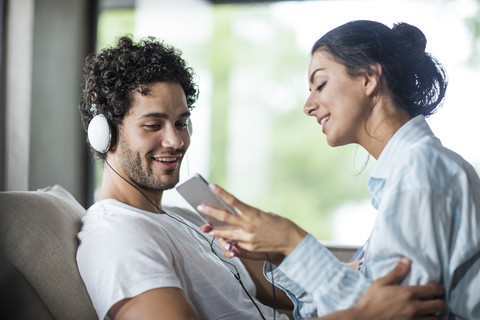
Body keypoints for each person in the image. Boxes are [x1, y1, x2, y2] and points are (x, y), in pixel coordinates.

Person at [76, 35, 445, 320]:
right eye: (153, 125)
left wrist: (286, 251)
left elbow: (278, 292)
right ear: (104, 133)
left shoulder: (179, 217)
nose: (175, 141)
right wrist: (362, 315)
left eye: (182, 123)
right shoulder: (116, 236)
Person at [198, 20, 480, 319]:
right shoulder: (410, 171)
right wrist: (282, 252)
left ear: (369, 79)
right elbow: (373, 306)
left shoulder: (419, 170)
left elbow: (397, 312)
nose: (308, 105)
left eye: (320, 84)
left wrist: (292, 241)